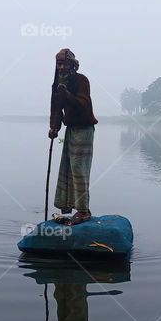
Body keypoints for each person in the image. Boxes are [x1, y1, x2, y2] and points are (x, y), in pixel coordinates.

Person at [48, 48, 98, 225]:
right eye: (59, 64)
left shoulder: (81, 80)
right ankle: (71, 205)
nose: (61, 67)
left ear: (72, 66)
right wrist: (54, 128)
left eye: (64, 64)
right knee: (68, 168)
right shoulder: (58, 84)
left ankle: (83, 211)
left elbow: (84, 105)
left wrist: (67, 95)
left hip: (84, 128)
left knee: (78, 168)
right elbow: (56, 109)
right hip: (71, 130)